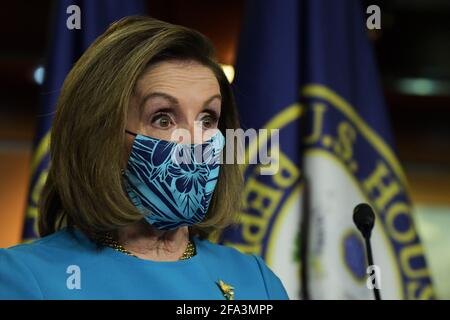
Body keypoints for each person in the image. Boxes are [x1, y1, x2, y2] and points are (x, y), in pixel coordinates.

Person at [0, 16, 288, 300]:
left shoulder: (255, 279)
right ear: (101, 138)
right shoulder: (24, 277)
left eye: (207, 118)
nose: (194, 139)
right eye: (163, 119)